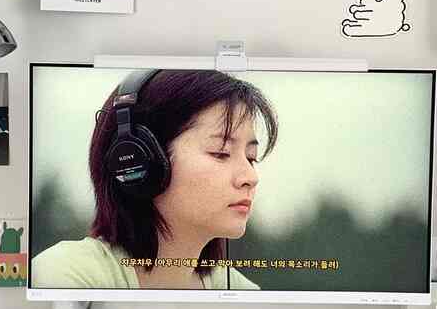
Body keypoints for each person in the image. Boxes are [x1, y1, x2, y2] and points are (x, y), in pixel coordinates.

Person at [32, 69, 278, 290]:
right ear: (140, 159)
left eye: (251, 158)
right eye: (221, 153)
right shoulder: (65, 277)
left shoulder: (240, 292)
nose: (250, 177)